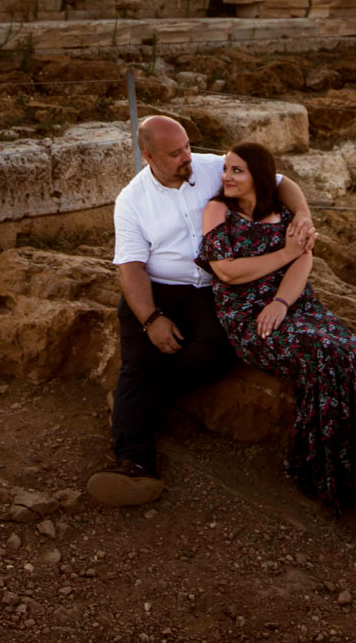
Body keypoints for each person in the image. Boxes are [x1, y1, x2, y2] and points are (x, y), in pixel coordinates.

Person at [197, 140, 356, 556]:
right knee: (322, 354)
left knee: (352, 356)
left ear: (258, 177)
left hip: (293, 303)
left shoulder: (283, 214)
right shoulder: (217, 211)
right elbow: (226, 271)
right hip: (247, 315)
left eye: (237, 171)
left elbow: (304, 260)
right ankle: (331, 473)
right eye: (226, 169)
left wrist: (283, 301)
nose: (226, 177)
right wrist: (285, 252)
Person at [88, 115, 318, 508]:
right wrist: (151, 319)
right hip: (159, 288)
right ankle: (135, 465)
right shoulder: (131, 201)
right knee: (139, 363)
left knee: (214, 354)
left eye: (188, 147)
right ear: (148, 156)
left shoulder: (214, 168)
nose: (187, 157)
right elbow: (131, 268)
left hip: (211, 289)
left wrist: (303, 215)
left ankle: (135, 401)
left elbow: (281, 183)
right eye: (176, 153)